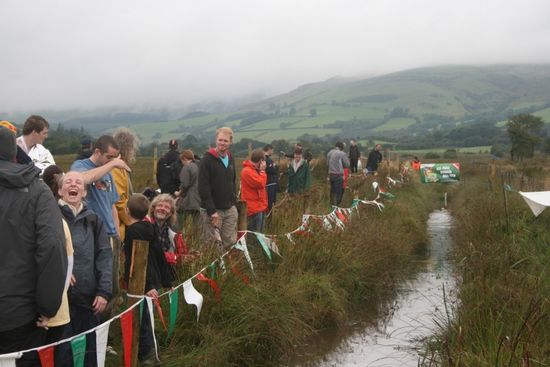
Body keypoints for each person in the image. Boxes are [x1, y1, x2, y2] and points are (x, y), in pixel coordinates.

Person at [0, 126, 67, 365]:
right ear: (15, 152)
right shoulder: (38, 191)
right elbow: (51, 248)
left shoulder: (38, 191)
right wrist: (47, 307)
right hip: (19, 315)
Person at [58, 171, 113, 367]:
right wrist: (61, 270)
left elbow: (104, 255)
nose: (73, 185)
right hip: (58, 300)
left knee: (89, 354)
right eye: (68, 182)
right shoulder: (50, 217)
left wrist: (104, 291)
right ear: (59, 190)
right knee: (62, 355)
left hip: (88, 299)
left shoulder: (94, 219)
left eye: (78, 182)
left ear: (84, 192)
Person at [124, 194, 173, 363]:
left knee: (143, 320)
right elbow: (160, 256)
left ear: (127, 211)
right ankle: (149, 351)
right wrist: (167, 281)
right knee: (147, 319)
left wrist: (147, 287)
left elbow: (138, 262)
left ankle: (147, 356)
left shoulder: (132, 232)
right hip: (154, 282)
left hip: (143, 284)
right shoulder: (151, 228)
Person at [71, 135, 130, 239]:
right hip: (90, 233)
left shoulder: (108, 172)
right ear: (97, 152)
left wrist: (117, 235)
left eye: (114, 158)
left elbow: (112, 206)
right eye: (109, 157)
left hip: (109, 233)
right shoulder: (79, 165)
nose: (111, 161)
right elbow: (82, 178)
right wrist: (112, 164)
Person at [198, 127, 238, 249]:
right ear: (216, 140)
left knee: (230, 242)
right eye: (220, 139)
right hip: (213, 211)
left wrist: (233, 203)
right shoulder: (207, 159)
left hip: (229, 209)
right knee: (212, 245)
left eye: (225, 141)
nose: (222, 143)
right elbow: (203, 186)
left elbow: (232, 182)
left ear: (230, 142)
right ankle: (215, 268)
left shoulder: (230, 158)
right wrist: (211, 210)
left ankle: (227, 267)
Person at [112, 128, 139, 241]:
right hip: (116, 226)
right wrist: (132, 222)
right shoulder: (116, 168)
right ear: (128, 149)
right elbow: (119, 201)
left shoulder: (118, 166)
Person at [147, 194, 186, 268]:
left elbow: (182, 257)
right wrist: (174, 257)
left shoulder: (172, 235)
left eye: (167, 207)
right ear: (153, 209)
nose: (162, 209)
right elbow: (151, 254)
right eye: (160, 205)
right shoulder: (145, 227)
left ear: (170, 213)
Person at [241, 148, 268, 232]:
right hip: (253, 209)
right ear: (261, 161)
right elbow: (260, 184)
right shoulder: (247, 171)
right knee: (254, 235)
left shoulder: (255, 170)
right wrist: (263, 171)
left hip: (259, 206)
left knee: (260, 234)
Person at [175, 149, 201, 230]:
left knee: (182, 223)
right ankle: (196, 239)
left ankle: (182, 239)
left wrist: (178, 193)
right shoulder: (198, 166)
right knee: (196, 224)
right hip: (199, 199)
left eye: (181, 160)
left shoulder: (186, 168)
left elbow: (185, 184)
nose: (181, 163)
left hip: (188, 200)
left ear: (185, 159)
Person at [327, 142, 350, 206]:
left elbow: (327, 164)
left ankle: (331, 205)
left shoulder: (329, 153)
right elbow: (347, 164)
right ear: (341, 147)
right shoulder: (342, 153)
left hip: (331, 174)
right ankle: (337, 206)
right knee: (338, 192)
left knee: (332, 191)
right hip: (339, 175)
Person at [263, 144, 279, 212]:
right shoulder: (265, 159)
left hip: (272, 183)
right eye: (272, 150)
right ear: (269, 149)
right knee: (269, 203)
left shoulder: (269, 159)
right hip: (269, 184)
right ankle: (268, 220)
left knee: (272, 203)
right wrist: (274, 167)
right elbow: (271, 170)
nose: (272, 152)